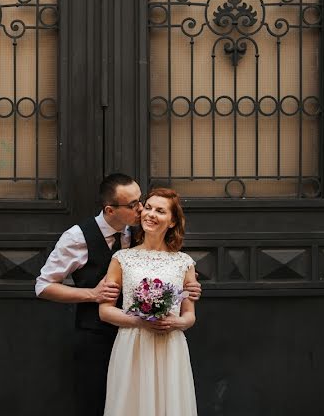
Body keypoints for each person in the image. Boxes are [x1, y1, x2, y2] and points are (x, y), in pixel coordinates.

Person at [35, 174, 201, 416]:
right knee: (103, 405)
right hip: (97, 336)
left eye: (140, 201)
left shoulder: (138, 231)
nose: (142, 209)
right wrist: (92, 294)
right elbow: (43, 285)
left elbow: (168, 270)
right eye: (133, 205)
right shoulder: (77, 237)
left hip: (151, 341)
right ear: (110, 210)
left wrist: (189, 287)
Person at [99, 188, 199, 416]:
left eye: (160, 211)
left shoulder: (184, 263)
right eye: (149, 208)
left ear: (172, 221)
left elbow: (189, 315)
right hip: (133, 344)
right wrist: (141, 322)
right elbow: (105, 311)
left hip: (170, 345)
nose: (151, 214)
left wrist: (177, 323)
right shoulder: (122, 258)